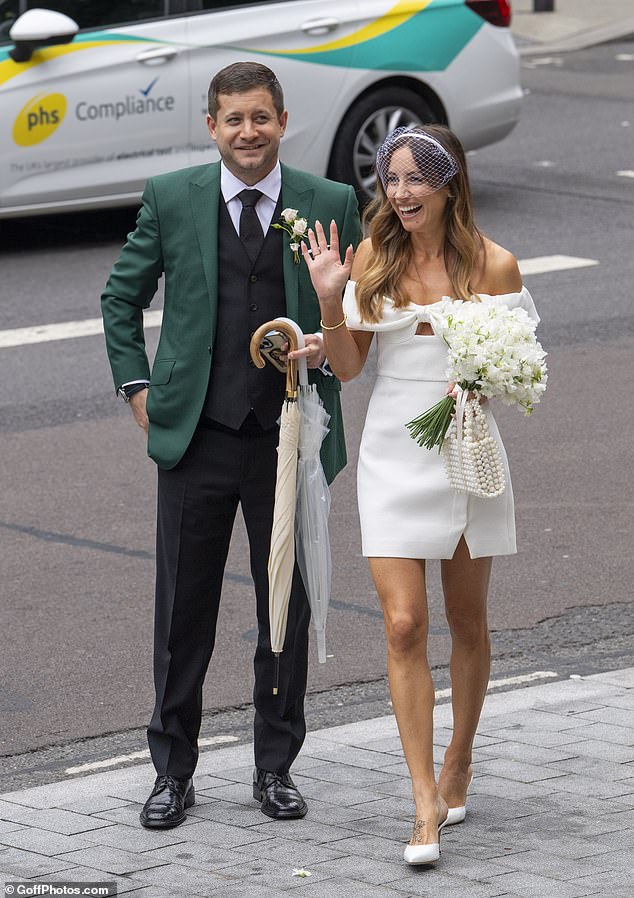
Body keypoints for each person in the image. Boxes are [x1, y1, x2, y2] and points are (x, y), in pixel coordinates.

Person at [101, 61, 361, 828]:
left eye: (261, 117)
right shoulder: (173, 197)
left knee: (287, 606)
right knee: (184, 615)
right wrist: (136, 387)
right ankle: (172, 772)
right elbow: (121, 296)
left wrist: (329, 322)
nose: (248, 132)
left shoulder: (331, 202)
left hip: (287, 439)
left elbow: (355, 311)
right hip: (197, 438)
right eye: (233, 120)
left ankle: (274, 768)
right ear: (211, 128)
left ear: (283, 120)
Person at [301, 124, 539, 865]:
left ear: (448, 184)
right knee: (404, 625)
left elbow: (517, 372)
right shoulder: (374, 256)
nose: (399, 194)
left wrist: (479, 382)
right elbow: (345, 370)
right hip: (392, 454)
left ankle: (459, 758)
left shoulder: (495, 265)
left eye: (415, 180)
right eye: (390, 180)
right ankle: (422, 800)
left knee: (468, 620)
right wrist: (331, 300)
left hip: (465, 453)